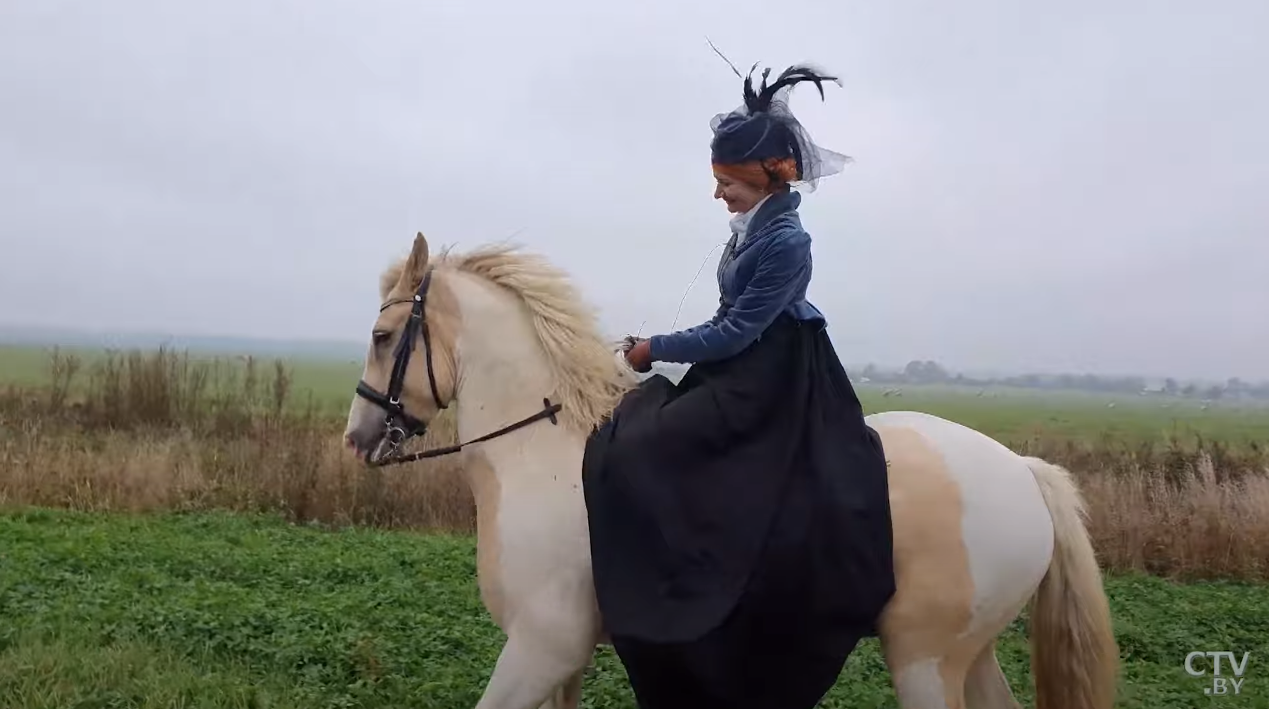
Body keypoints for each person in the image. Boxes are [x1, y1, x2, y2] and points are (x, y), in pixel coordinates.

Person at [580, 63, 897, 709]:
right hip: (743, 362)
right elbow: (726, 325)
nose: (717, 193)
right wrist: (656, 349)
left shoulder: (788, 241)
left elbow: (735, 331)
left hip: (770, 374)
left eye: (725, 181)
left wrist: (655, 349)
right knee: (643, 418)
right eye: (717, 181)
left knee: (648, 443)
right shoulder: (754, 227)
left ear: (761, 173)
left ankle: (680, 584)